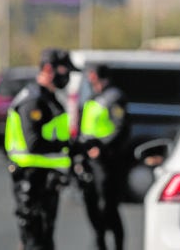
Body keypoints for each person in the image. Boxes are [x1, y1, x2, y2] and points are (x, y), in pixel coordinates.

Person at [4, 48, 79, 250]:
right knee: (35, 240)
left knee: (44, 239)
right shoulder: (34, 100)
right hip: (31, 178)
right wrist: (66, 146)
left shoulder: (49, 98)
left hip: (46, 178)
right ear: (48, 68)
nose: (68, 77)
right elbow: (33, 143)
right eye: (64, 71)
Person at [74, 64, 129, 250]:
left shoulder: (114, 97)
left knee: (108, 206)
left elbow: (121, 127)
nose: (90, 80)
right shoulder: (92, 99)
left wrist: (102, 148)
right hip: (89, 159)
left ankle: (117, 245)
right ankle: (100, 243)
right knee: (91, 204)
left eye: (93, 76)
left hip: (107, 161)